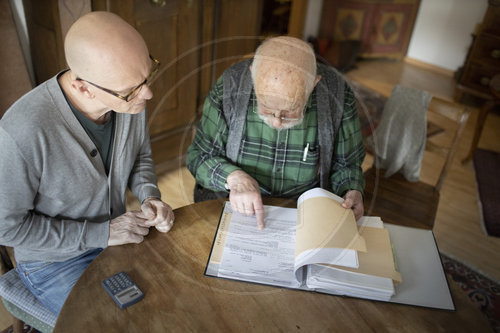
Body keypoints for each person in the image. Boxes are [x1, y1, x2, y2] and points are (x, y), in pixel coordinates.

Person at [0, 12, 174, 316]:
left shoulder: (130, 97)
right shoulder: (22, 132)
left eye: (148, 75)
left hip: (117, 238)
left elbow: (140, 157)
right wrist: (102, 234)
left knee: (173, 298)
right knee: (120, 322)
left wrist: (149, 196)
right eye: (133, 88)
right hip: (54, 263)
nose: (148, 92)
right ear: (83, 87)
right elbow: (7, 228)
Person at [187, 36, 365, 229]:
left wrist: (351, 190)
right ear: (253, 76)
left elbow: (348, 163)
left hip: (304, 214)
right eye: (266, 107)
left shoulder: (337, 94)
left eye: (289, 111)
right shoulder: (230, 87)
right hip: (238, 209)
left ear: (314, 84)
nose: (277, 121)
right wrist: (234, 178)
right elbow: (199, 156)